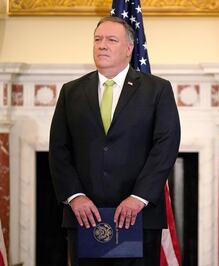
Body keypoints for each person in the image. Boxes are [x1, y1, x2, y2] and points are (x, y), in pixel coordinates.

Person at [49, 16, 181, 266]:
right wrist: (75, 196)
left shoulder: (157, 90)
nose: (102, 45)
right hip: (85, 217)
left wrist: (139, 197)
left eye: (111, 40)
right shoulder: (71, 91)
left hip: (139, 217)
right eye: (97, 40)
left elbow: (165, 146)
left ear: (130, 48)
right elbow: (58, 149)